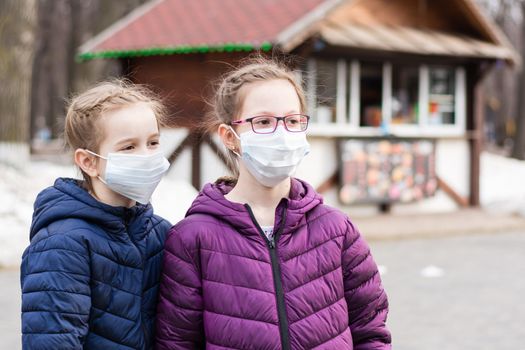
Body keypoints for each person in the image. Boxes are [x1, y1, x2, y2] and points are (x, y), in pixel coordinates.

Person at [155, 57, 391, 349]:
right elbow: (177, 342)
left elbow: (370, 331)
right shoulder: (193, 238)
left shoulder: (337, 230)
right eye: (263, 122)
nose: (282, 133)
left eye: (292, 120)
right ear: (230, 136)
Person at [20, 80, 172, 349]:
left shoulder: (161, 233)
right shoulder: (62, 244)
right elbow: (54, 340)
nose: (146, 156)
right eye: (128, 147)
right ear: (88, 162)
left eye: (153, 142)